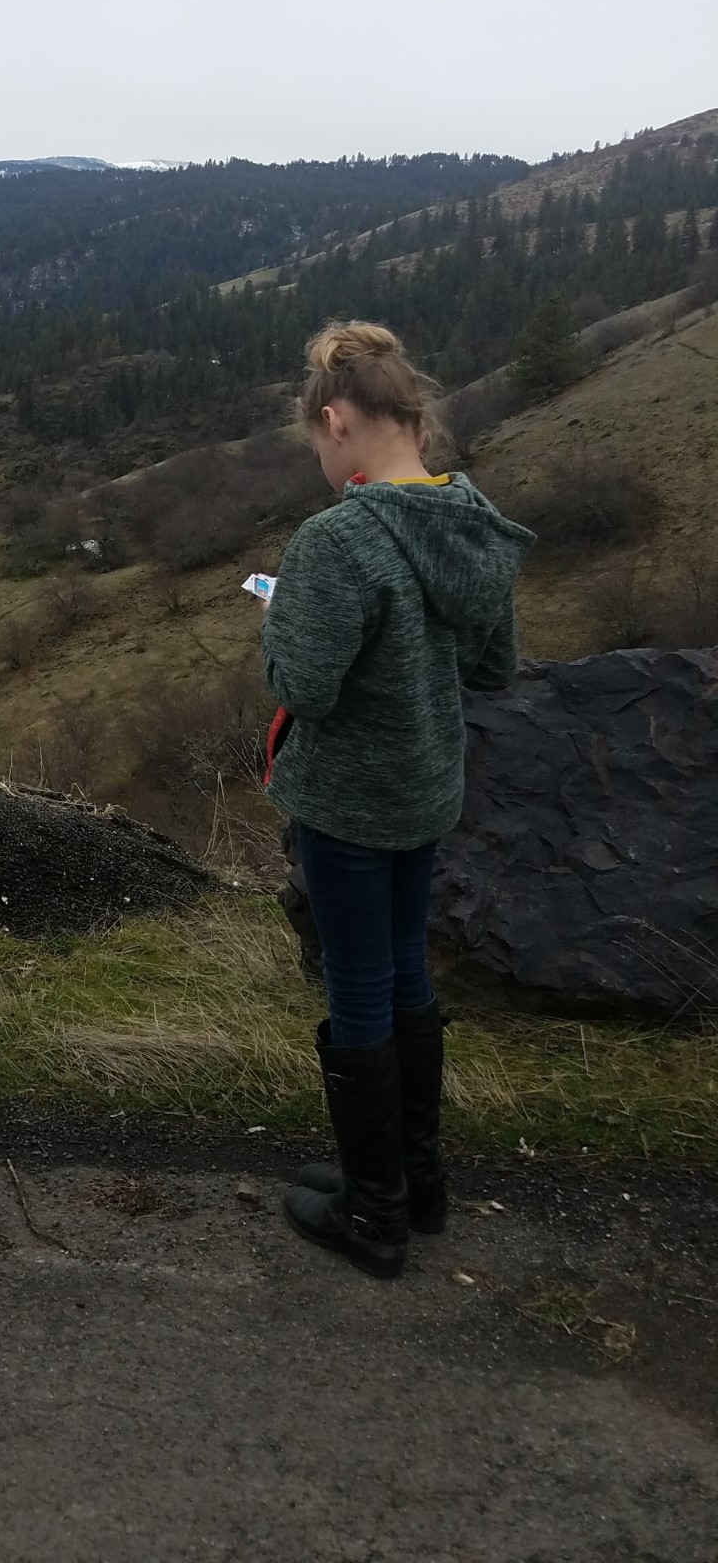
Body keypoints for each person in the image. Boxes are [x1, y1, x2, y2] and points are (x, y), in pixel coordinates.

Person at [259, 321, 532, 1278]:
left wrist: (283, 613)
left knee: (360, 984)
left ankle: (374, 1213)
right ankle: (417, 1183)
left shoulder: (338, 540)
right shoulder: (473, 523)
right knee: (407, 972)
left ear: (336, 421)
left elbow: (305, 684)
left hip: (347, 804)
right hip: (425, 790)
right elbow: (495, 665)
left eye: (318, 444)